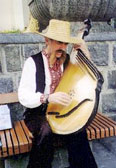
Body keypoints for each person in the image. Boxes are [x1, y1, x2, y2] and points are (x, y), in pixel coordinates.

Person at [18, 19, 98, 168]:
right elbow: (23, 94)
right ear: (47, 40)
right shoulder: (33, 62)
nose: (62, 47)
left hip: (63, 111)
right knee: (45, 131)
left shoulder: (67, 60)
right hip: (38, 113)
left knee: (77, 129)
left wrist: (85, 49)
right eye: (58, 42)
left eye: (65, 43)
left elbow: (87, 72)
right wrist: (47, 98)